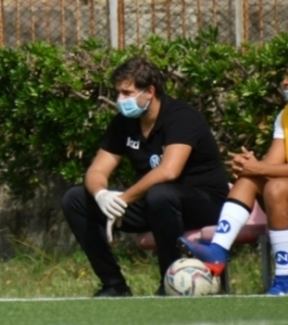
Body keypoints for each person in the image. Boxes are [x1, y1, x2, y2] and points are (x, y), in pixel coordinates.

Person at [61, 57, 228, 297]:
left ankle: (168, 283)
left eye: (126, 93)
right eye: (118, 93)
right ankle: (113, 285)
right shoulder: (123, 123)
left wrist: (124, 200)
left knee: (161, 193)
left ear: (149, 91)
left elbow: (169, 171)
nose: (120, 100)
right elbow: (97, 170)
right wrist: (102, 196)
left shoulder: (181, 116)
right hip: (155, 204)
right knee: (75, 198)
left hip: (204, 203)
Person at [180, 72, 288, 295]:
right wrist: (251, 166)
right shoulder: (284, 116)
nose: (284, 82)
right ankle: (218, 250)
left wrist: (259, 168)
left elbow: (268, 171)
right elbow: (271, 166)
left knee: (276, 187)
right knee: (250, 179)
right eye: (285, 78)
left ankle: (285, 280)